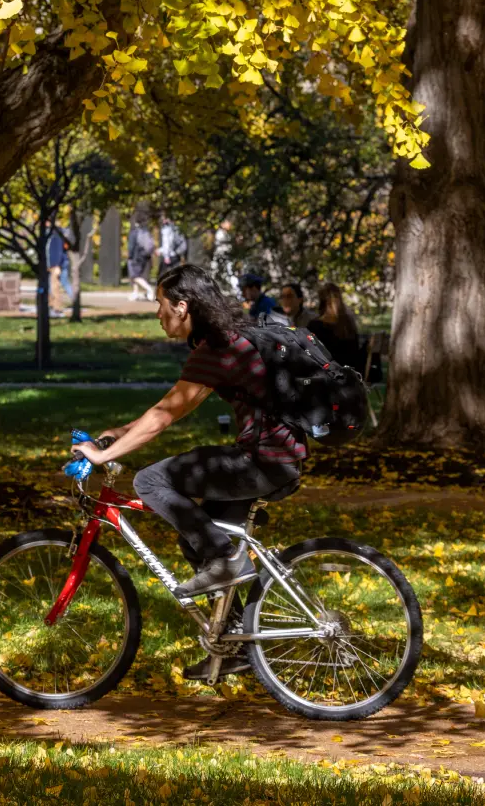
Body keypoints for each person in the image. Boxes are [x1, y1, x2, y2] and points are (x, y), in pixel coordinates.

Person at [71, 263, 305, 681]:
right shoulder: (224, 342)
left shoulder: (218, 349)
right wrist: (120, 434)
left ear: (182, 306)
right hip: (276, 458)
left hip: (263, 460)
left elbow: (163, 418)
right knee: (196, 537)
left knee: (150, 480)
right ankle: (235, 644)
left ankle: (224, 560)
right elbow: (176, 406)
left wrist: (105, 457)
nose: (157, 314)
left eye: (160, 305)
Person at [307, 282, 364, 371]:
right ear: (326, 303)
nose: (335, 304)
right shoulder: (315, 326)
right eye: (331, 300)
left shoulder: (347, 324)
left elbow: (354, 355)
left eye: (336, 299)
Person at [126, 207, 156, 302]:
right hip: (144, 256)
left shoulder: (134, 232)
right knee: (133, 275)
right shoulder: (145, 231)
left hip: (135, 257)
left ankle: (149, 289)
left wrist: (130, 256)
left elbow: (131, 246)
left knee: (135, 276)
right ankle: (135, 293)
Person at [46, 222, 75, 315]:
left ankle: (57, 306)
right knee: (55, 285)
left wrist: (56, 264)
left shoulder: (56, 234)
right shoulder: (54, 233)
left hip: (56, 264)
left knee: (56, 286)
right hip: (55, 263)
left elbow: (57, 250)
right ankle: (51, 305)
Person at [156, 211, 188, 279]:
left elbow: (167, 244)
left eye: (163, 219)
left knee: (162, 276)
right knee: (176, 275)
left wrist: (166, 256)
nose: (162, 220)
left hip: (170, 256)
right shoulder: (176, 228)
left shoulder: (166, 229)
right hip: (176, 253)